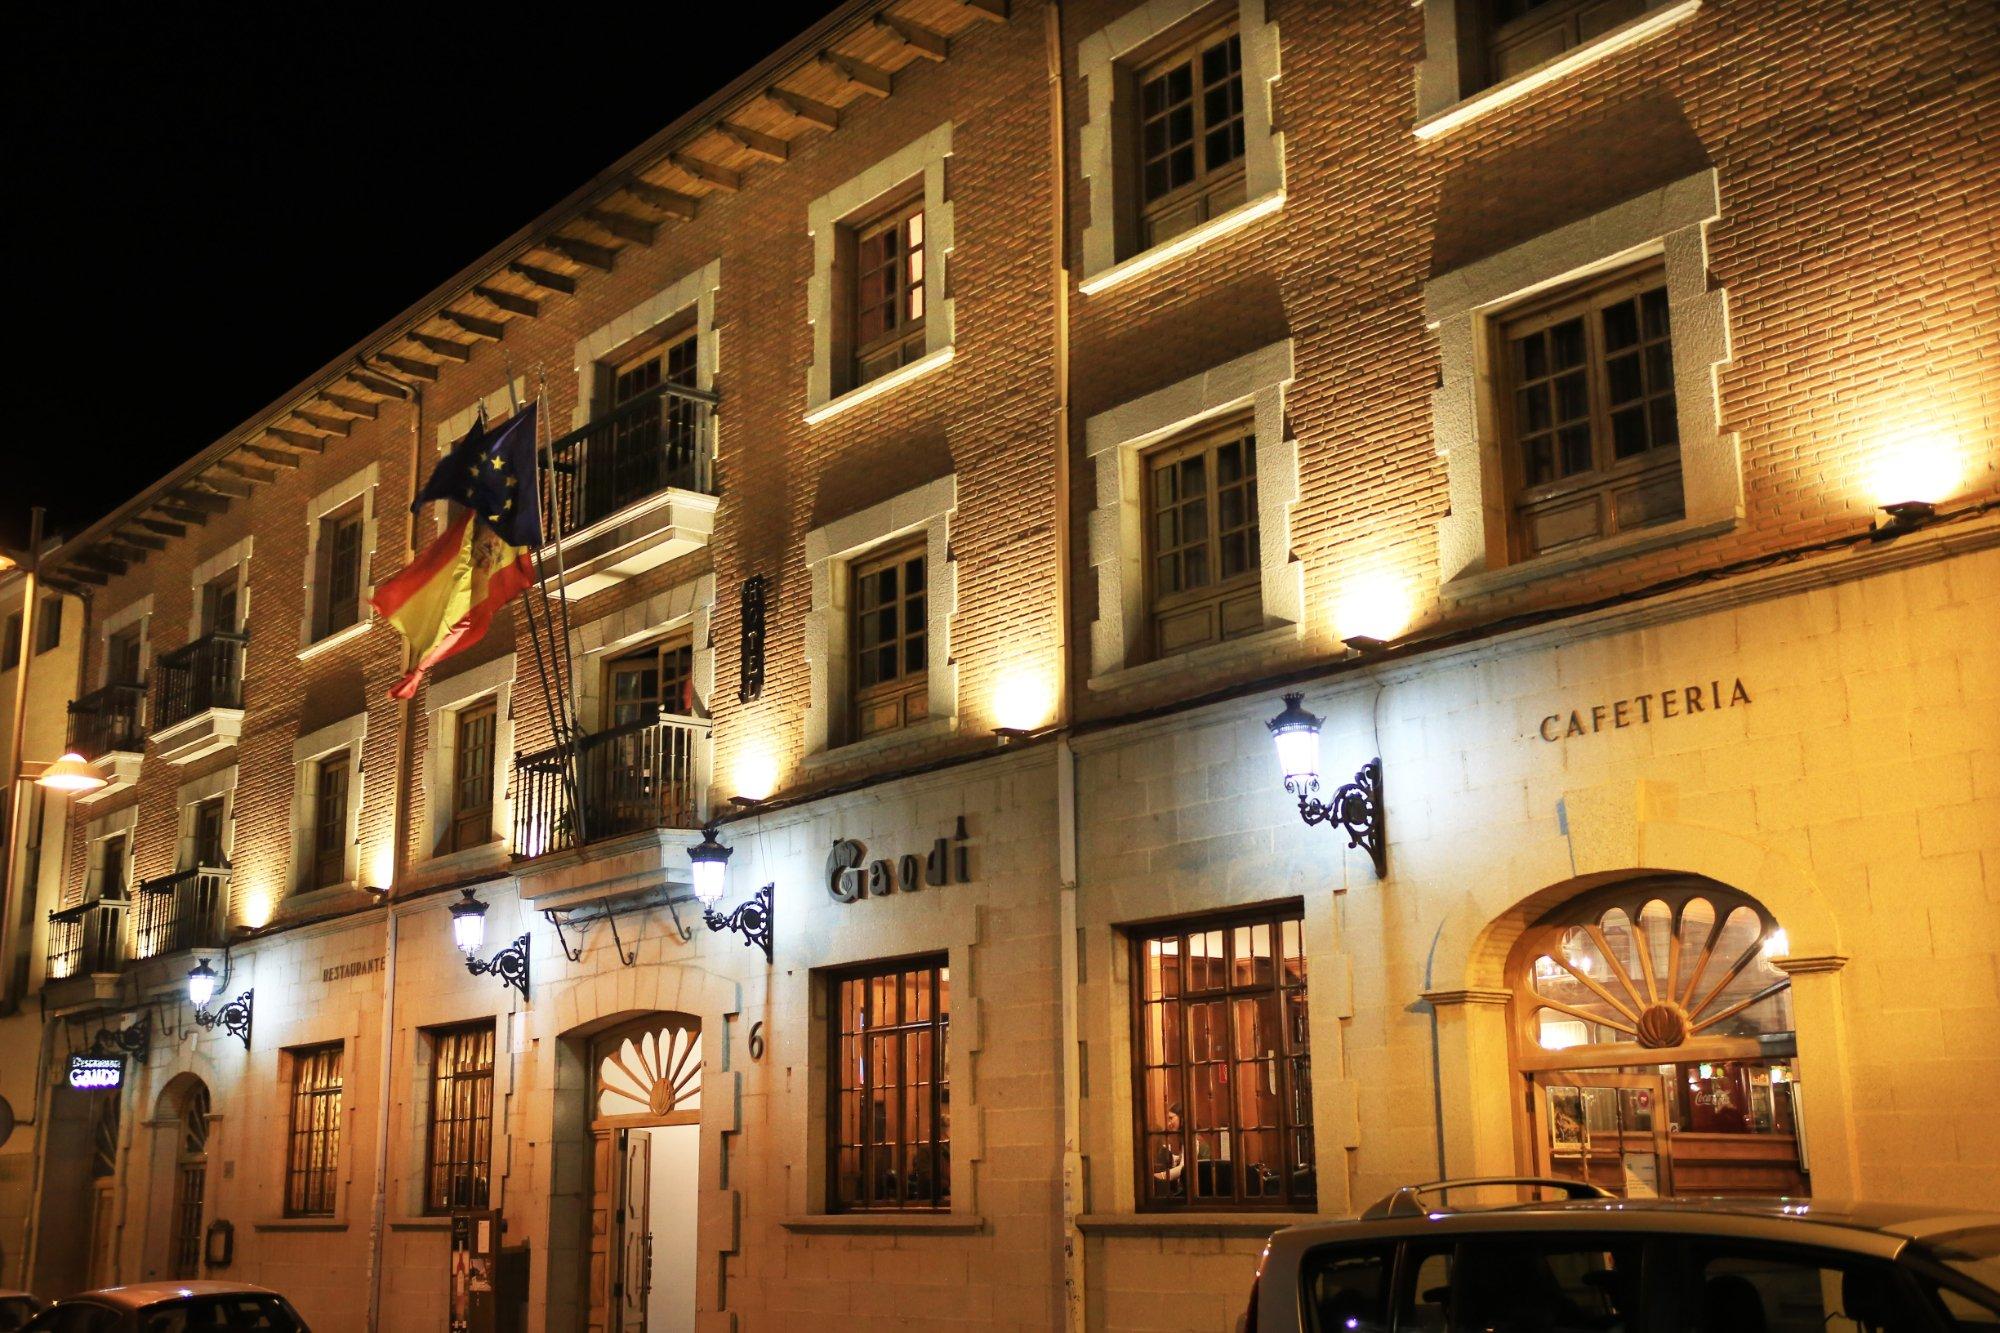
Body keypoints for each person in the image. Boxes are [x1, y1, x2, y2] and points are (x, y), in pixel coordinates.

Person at [1151, 1106, 1186, 1196]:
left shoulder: (1192, 1139)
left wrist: (1160, 1176)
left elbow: (1183, 1168)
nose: (1169, 1123)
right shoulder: (1183, 1138)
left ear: (1182, 1118)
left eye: (1171, 1118)